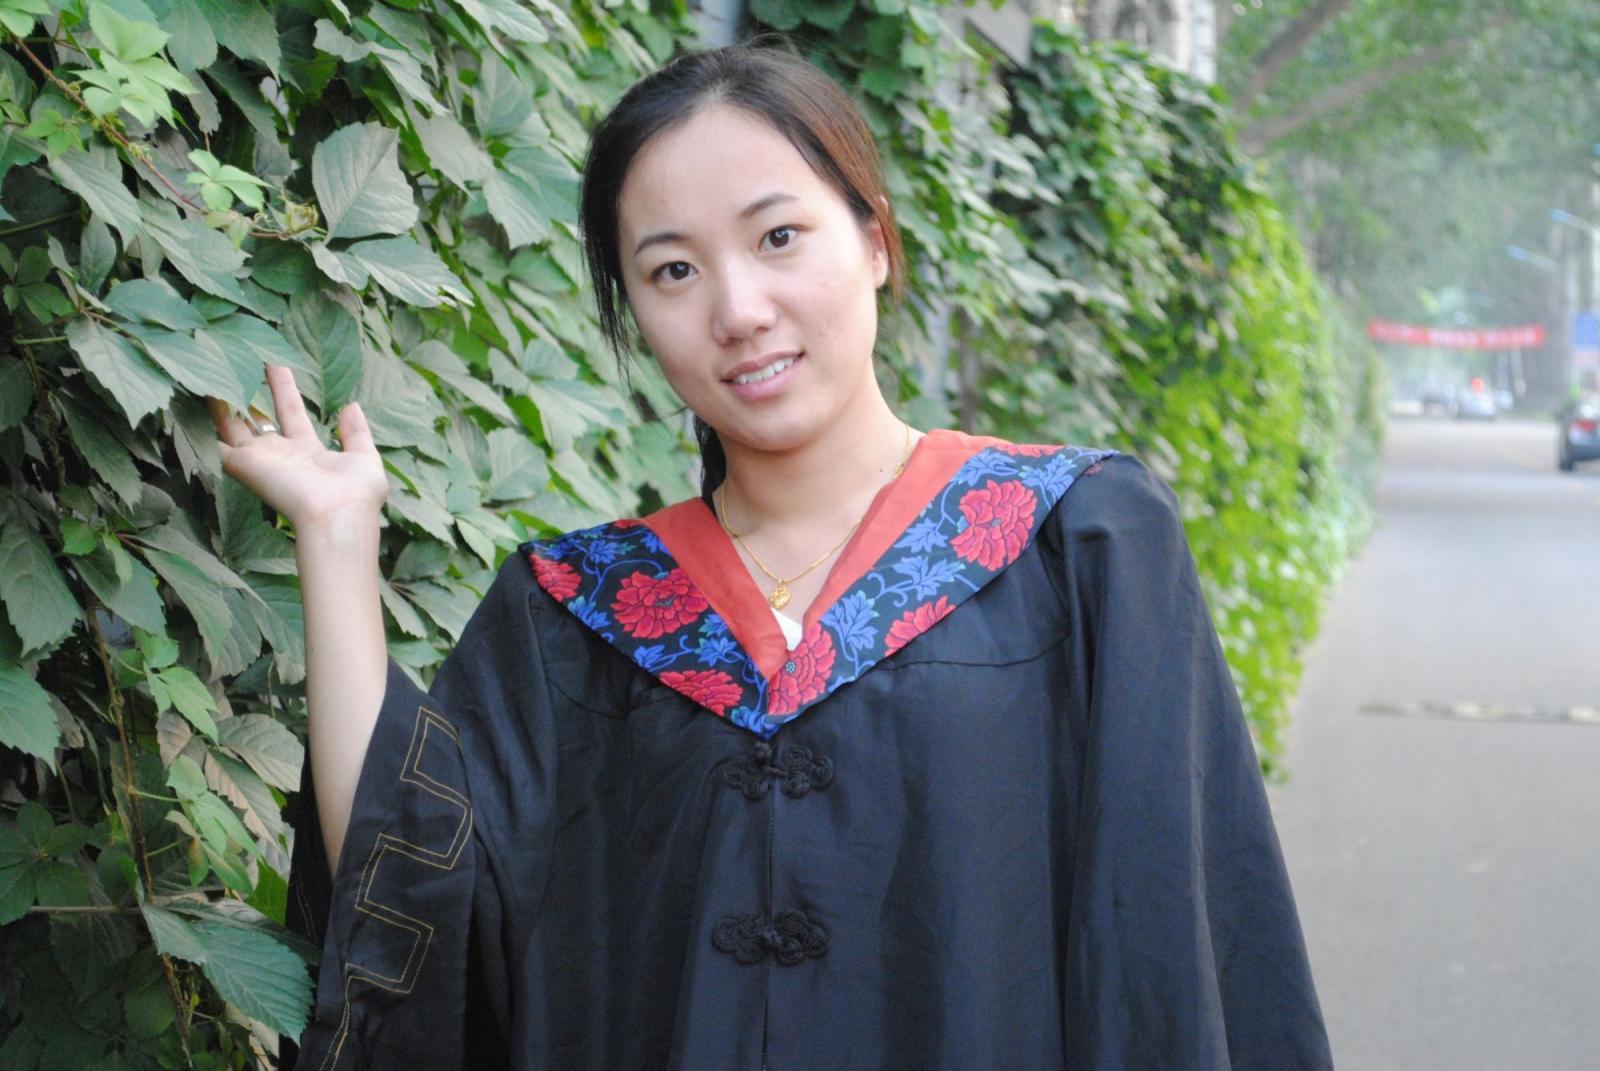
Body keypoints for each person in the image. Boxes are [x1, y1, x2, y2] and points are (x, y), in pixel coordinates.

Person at [212, 45, 1332, 1071]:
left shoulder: (1074, 544)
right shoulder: (580, 614)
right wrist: (336, 537)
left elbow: (1172, 948)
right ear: (633, 315)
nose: (739, 309)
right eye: (672, 271)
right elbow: (409, 895)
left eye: (778, 237)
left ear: (875, 240)